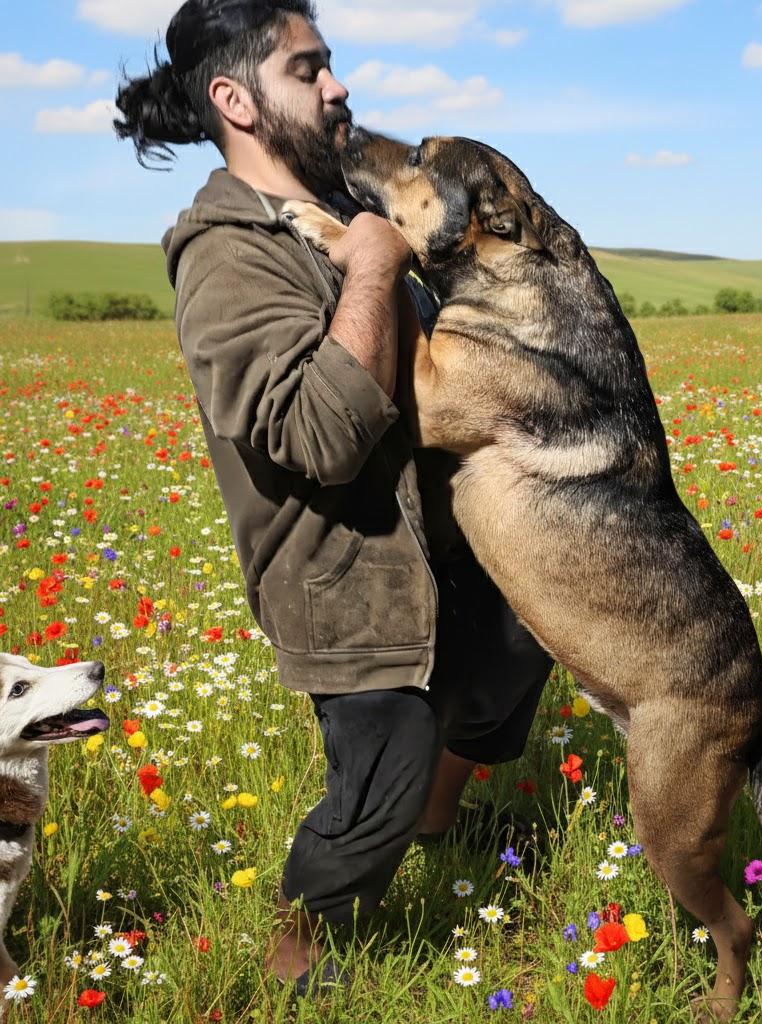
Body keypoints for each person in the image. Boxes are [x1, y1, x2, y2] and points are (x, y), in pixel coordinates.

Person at [114, 0, 553, 996]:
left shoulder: (348, 198)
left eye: (330, 64)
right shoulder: (227, 253)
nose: (336, 83)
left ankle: (445, 829)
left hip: (456, 536)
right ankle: (296, 950)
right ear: (235, 98)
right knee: (374, 794)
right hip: (349, 574)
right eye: (307, 68)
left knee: (507, 670)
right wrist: (369, 271)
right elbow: (320, 436)